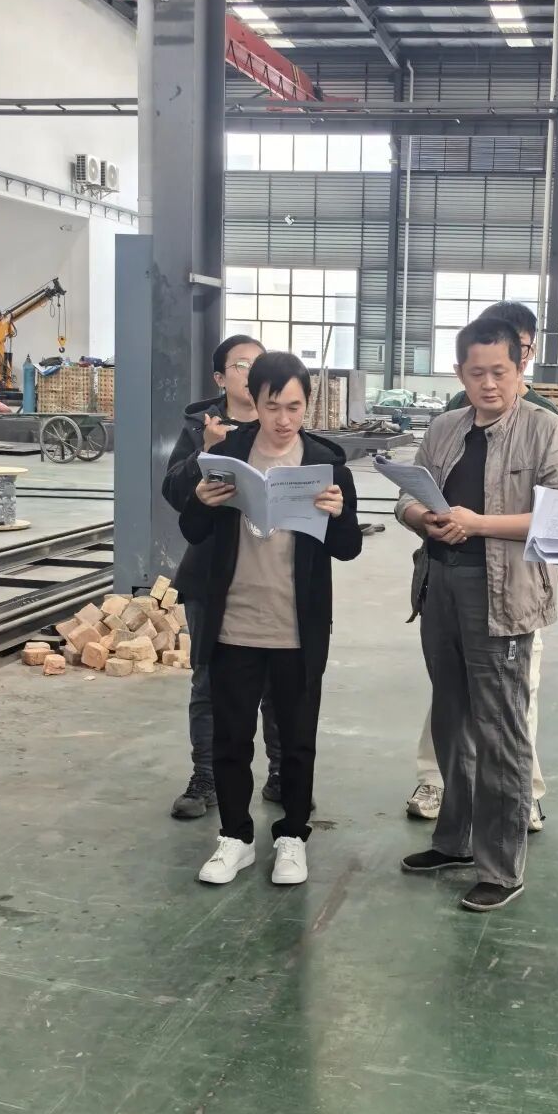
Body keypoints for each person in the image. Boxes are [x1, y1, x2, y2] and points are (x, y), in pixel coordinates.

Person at [397, 316, 558, 912]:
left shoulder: (545, 431)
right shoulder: (445, 428)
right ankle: (453, 841)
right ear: (459, 373)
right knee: (451, 720)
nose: (489, 384)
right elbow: (406, 498)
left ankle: (501, 867)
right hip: (440, 587)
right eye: (476, 373)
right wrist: (424, 518)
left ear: (520, 367)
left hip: (501, 593)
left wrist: (478, 524)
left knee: (501, 729)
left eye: (499, 371)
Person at [180, 351, 362, 888]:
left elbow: (348, 548)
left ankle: (292, 837)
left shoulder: (327, 464)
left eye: (294, 407)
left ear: (308, 405)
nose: (284, 420)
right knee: (232, 739)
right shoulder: (227, 455)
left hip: (296, 626)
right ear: (253, 403)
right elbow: (193, 532)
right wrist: (201, 500)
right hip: (235, 621)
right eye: (273, 406)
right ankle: (235, 837)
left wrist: (338, 515)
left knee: (298, 740)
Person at [162, 336, 286, 819]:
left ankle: (282, 774)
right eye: (240, 365)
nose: (250, 372)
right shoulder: (201, 427)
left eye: (258, 363)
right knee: (210, 680)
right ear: (220, 377)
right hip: (212, 572)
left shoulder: (282, 424)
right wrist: (205, 454)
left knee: (278, 680)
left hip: (273, 570)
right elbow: (174, 491)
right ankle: (206, 777)